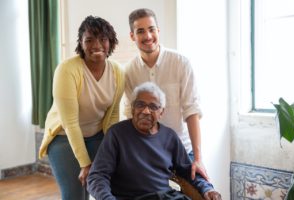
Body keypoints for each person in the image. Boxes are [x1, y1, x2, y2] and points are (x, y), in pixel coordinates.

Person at [87, 82, 221, 200]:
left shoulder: (170, 137)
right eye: (140, 105)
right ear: (133, 109)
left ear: (161, 112)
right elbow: (97, 176)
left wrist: (207, 189)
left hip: (165, 196)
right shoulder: (116, 134)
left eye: (153, 107)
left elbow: (187, 171)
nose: (146, 111)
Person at [38, 16, 124, 200]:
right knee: (76, 195)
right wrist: (85, 164)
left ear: (111, 42)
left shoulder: (118, 71)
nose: (96, 45)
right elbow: (70, 123)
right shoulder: (67, 70)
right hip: (63, 137)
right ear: (81, 43)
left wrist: (113, 149)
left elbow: (113, 115)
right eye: (89, 40)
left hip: (97, 135)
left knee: (112, 186)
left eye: (103, 39)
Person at [124, 8, 209, 181]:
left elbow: (192, 111)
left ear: (158, 31)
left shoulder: (181, 63)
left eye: (151, 29)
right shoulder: (128, 72)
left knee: (203, 191)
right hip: (146, 152)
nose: (148, 36)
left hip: (183, 151)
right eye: (140, 31)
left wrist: (198, 159)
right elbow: (130, 116)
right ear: (132, 36)